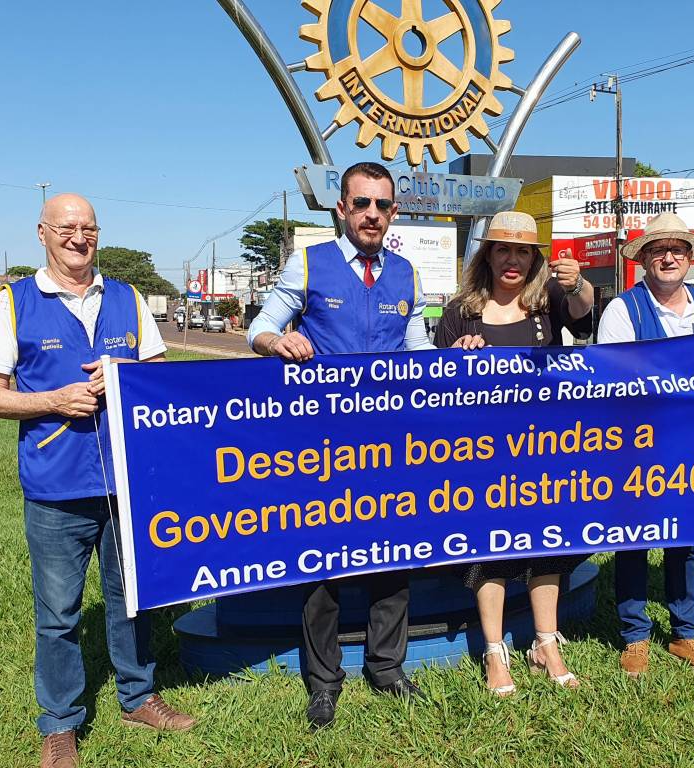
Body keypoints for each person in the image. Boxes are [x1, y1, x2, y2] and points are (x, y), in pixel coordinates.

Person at [0, 194, 195, 768]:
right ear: (42, 233)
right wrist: (53, 400)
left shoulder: (127, 298)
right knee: (58, 614)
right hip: (56, 487)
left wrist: (125, 373)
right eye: (67, 227)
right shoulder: (14, 303)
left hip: (127, 482)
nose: (79, 237)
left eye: (89, 227)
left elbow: (160, 379)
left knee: (132, 601)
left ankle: (138, 697)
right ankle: (60, 724)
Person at [247, 161, 433, 728]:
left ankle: (387, 667)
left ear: (393, 211)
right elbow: (258, 327)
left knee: (394, 557)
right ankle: (324, 681)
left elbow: (418, 350)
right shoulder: (309, 262)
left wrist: (457, 366)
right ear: (342, 208)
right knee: (323, 563)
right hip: (321, 446)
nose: (372, 214)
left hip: (392, 443)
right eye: (361, 204)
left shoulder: (407, 274)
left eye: (382, 205)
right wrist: (277, 342)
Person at [434, 210, 594, 694]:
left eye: (523, 251)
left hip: (543, 450)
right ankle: (493, 650)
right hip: (480, 454)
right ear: (487, 255)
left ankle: (546, 643)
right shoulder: (459, 312)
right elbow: (434, 386)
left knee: (548, 545)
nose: (513, 259)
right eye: (503, 249)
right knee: (490, 550)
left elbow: (584, 309)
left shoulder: (548, 302)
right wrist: (455, 360)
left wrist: (578, 282)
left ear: (534, 259)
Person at [597, 212, 694, 677]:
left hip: (693, 441)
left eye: (677, 250)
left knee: (686, 536)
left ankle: (686, 634)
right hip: (637, 441)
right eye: (658, 250)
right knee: (633, 537)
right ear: (644, 259)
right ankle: (635, 635)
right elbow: (612, 378)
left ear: (689, 258)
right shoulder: (622, 309)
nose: (668, 258)